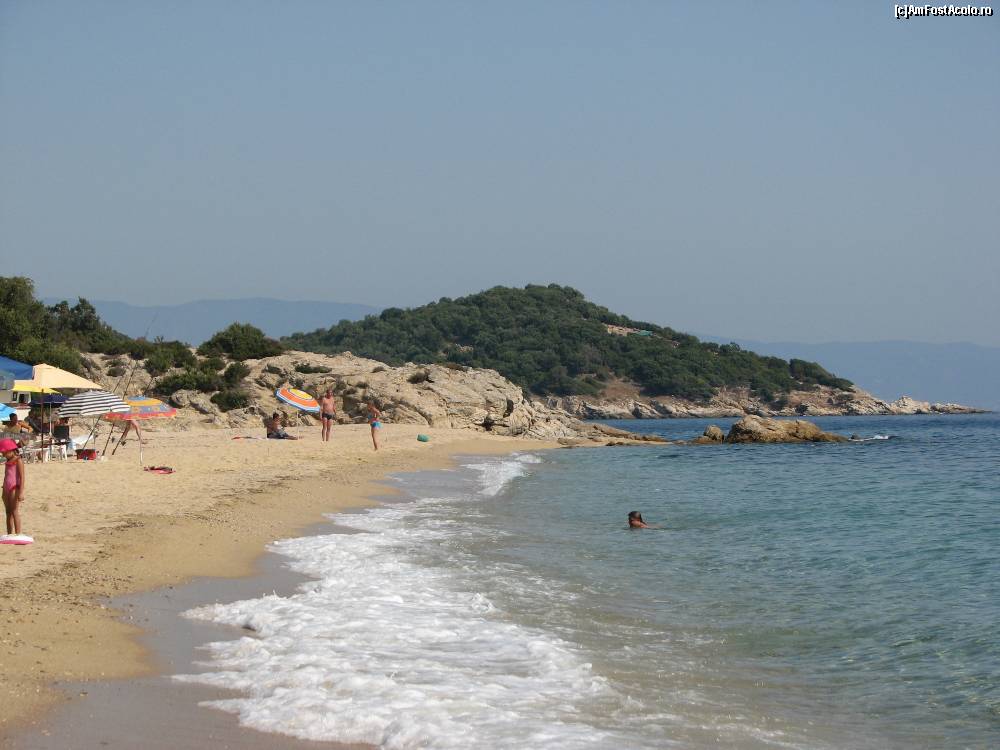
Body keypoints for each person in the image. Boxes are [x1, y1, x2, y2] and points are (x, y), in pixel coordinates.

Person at [1, 438, 26, 535]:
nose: (3, 455)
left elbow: (22, 477)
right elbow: (6, 475)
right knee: (8, 512)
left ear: (11, 450)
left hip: (14, 487)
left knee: (14, 511)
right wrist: (4, 488)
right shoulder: (8, 460)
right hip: (6, 487)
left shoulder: (18, 460)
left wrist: (21, 492)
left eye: (4, 453)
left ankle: (18, 534)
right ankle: (9, 534)